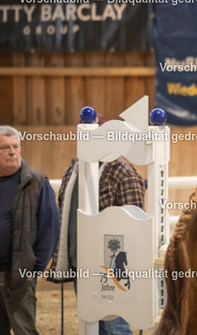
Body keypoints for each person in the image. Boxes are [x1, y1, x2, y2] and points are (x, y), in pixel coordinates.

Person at [48, 114, 145, 335]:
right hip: (80, 261)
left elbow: (134, 224)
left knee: (116, 327)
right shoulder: (74, 170)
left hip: (111, 267)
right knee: (92, 323)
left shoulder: (123, 172)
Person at [0, 126, 60, 335]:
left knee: (24, 330)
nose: (12, 152)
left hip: (19, 274)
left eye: (15, 146)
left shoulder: (37, 182)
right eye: (5, 148)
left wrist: (34, 270)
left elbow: (49, 230)